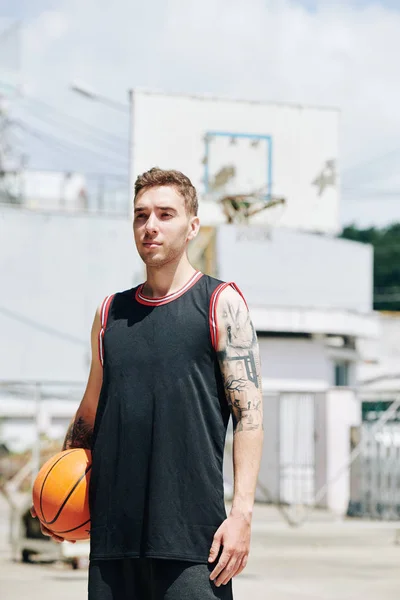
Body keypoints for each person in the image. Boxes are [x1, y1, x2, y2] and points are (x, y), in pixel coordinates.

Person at [31, 167, 264, 599]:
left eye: (165, 214)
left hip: (194, 540)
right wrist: (59, 495)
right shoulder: (109, 313)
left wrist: (242, 515)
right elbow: (89, 415)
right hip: (113, 540)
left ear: (193, 226)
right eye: (140, 216)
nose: (150, 226)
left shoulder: (220, 302)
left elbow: (249, 417)